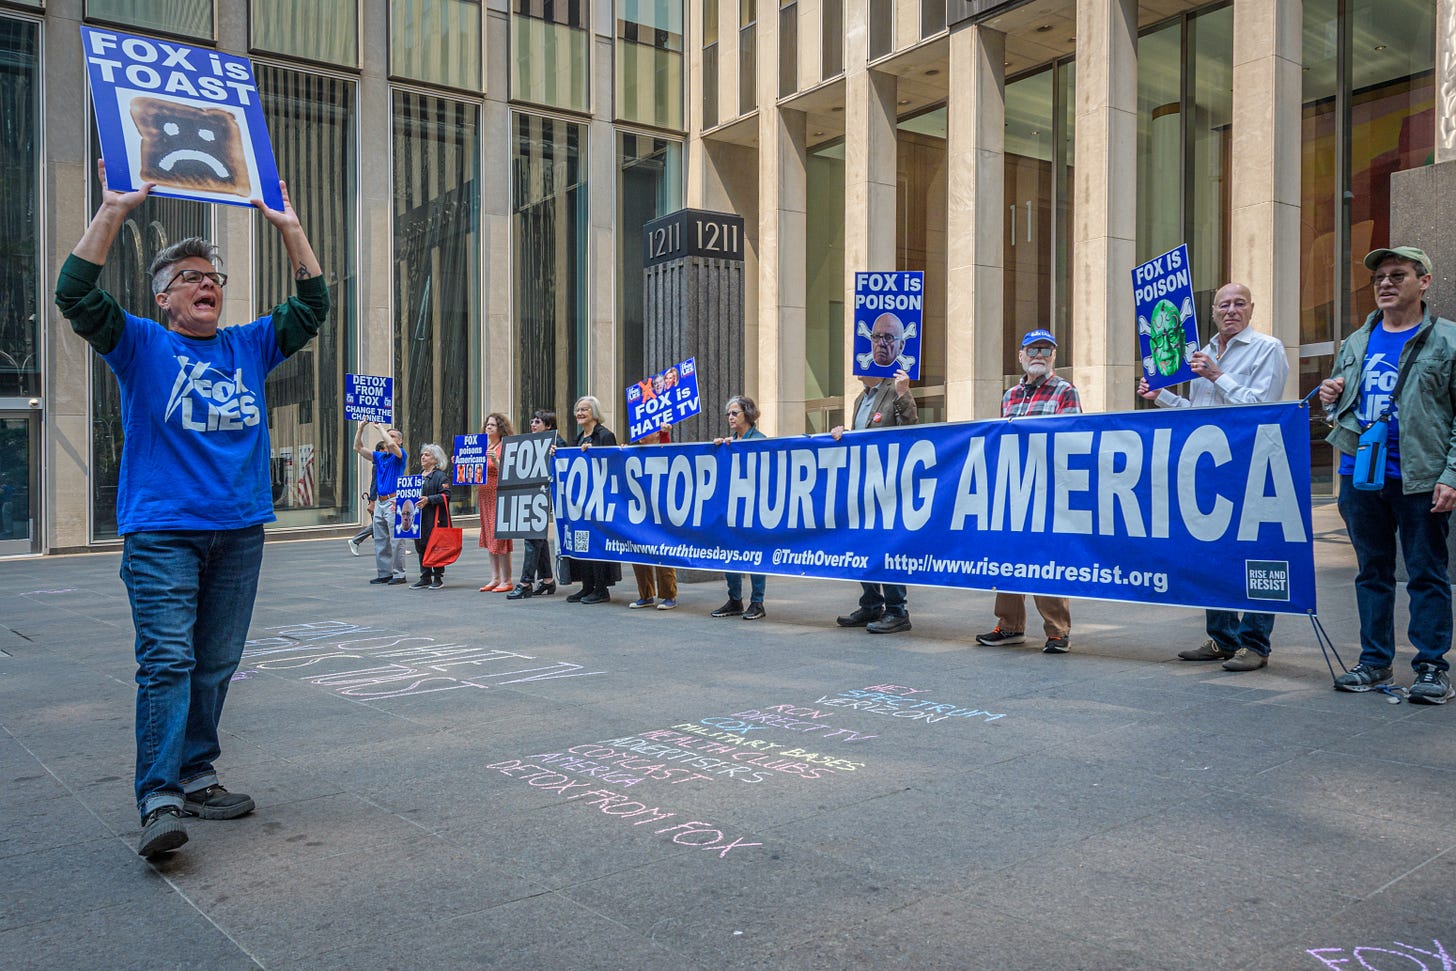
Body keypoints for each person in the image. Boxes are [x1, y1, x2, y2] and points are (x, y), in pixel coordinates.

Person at [55, 160, 327, 857]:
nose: (207, 284)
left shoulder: (247, 345)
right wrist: (115, 206)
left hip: (239, 532)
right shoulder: (141, 344)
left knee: (215, 661)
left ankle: (196, 771)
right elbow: (74, 293)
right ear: (164, 299)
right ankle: (159, 795)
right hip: (163, 533)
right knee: (169, 660)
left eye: (214, 278)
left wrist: (289, 226)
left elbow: (312, 306)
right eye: (191, 278)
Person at [1320, 246, 1456, 703]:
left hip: (1419, 476)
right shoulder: (1357, 342)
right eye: (1379, 277)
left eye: (1398, 275)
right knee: (1371, 571)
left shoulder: (1448, 341)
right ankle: (1374, 662)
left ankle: (1432, 666)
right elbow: (1340, 409)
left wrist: (1451, 474)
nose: (1385, 284)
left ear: (1425, 282)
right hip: (1361, 474)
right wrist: (1330, 395)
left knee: (1426, 573)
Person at [1138, 282, 1289, 672]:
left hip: (1252, 470)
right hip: (1210, 469)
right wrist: (1164, 398)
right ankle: (1223, 638)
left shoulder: (1267, 349)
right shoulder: (1199, 354)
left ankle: (1255, 644)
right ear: (1213, 312)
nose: (1231, 310)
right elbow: (1200, 411)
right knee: (1211, 554)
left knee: (1257, 558)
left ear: (1252, 309)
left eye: (1239, 304)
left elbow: (1262, 407)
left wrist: (1218, 375)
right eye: (1224, 305)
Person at [977, 329, 1081, 653]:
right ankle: (1010, 626)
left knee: (1045, 557)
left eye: (1045, 350)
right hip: (1012, 489)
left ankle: (1057, 631)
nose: (1039, 355)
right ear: (1020, 356)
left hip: (1047, 487)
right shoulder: (1009, 396)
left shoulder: (1065, 391)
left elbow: (1072, 437)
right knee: (1008, 556)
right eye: (1032, 350)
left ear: (1054, 357)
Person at [833, 369, 917, 633]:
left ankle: (897, 611)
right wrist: (843, 433)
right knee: (864, 544)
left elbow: (910, 428)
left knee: (887, 545)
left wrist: (904, 394)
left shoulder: (894, 390)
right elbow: (864, 437)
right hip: (864, 483)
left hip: (888, 482)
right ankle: (871, 604)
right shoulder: (861, 398)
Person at [711, 396, 769, 620]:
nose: (730, 417)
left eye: (735, 413)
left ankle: (757, 602)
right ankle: (734, 599)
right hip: (733, 505)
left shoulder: (760, 439)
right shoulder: (729, 441)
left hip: (754, 505)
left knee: (755, 553)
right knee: (730, 551)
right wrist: (719, 451)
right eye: (728, 414)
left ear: (748, 414)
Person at [564, 396, 619, 604]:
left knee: (597, 544)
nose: (580, 413)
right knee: (583, 543)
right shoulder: (578, 438)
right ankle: (586, 586)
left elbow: (612, 465)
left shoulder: (605, 436)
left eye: (584, 409)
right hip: (581, 503)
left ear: (594, 413)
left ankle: (601, 588)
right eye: (577, 409)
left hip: (600, 501)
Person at [508, 409, 565, 599]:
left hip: (544, 496)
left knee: (532, 538)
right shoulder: (531, 443)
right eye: (532, 421)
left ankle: (525, 582)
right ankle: (547, 580)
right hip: (533, 495)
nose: (533, 424)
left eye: (538, 422)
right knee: (537, 539)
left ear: (548, 425)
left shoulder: (558, 442)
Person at [629, 423, 680, 610]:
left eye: (646, 430)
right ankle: (646, 594)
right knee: (637, 549)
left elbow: (666, 451)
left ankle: (669, 595)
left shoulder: (662, 448)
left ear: (657, 434)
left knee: (663, 549)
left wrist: (665, 434)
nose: (641, 433)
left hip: (662, 508)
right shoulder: (633, 452)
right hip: (640, 510)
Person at [353, 421, 407, 585]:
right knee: (381, 539)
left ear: (400, 441)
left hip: (393, 500)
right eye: (387, 436)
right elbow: (358, 447)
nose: (388, 439)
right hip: (381, 501)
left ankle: (399, 574)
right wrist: (361, 428)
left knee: (396, 539)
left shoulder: (400, 455)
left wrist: (380, 428)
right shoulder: (380, 456)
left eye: (393, 436)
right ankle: (384, 573)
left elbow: (390, 445)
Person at [477, 413, 515, 592]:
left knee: (499, 537)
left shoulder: (504, 446)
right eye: (487, 424)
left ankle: (506, 579)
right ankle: (495, 577)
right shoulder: (482, 446)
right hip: (484, 495)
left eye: (492, 425)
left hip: (498, 494)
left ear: (500, 428)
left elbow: (509, 471)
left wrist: (495, 460)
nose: (489, 427)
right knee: (488, 536)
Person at [411, 443, 452, 590]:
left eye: (427, 455)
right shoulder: (417, 476)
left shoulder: (440, 476)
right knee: (420, 546)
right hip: (418, 518)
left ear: (436, 459)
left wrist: (429, 499)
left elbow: (446, 496)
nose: (423, 457)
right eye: (423, 454)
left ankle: (438, 577)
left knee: (435, 546)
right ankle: (425, 576)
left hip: (434, 518)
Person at [346, 453, 378, 556]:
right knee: (380, 523)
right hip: (381, 499)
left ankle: (356, 541)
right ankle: (356, 540)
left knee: (382, 523)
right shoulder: (379, 465)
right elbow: (374, 483)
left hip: (386, 499)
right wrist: (372, 501)